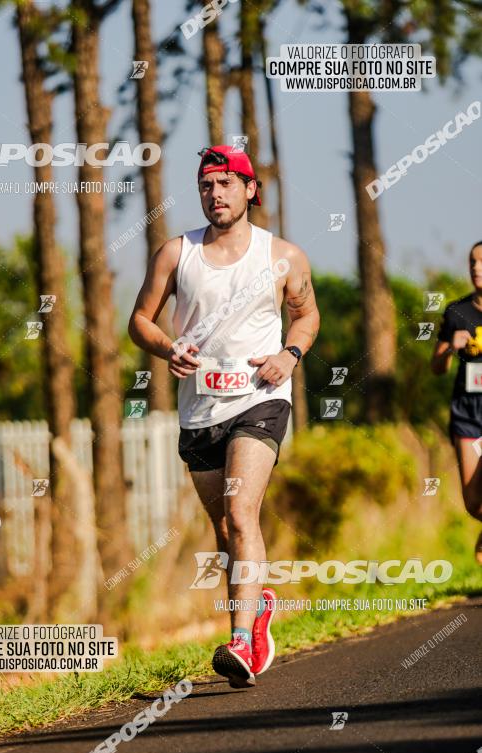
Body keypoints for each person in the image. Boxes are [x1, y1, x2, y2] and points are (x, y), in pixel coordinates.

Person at [129, 145, 320, 687]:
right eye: (206, 186)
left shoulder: (282, 255)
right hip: (199, 409)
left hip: (260, 398)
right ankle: (257, 607)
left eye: (226, 184)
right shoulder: (175, 253)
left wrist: (290, 354)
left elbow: (306, 316)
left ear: (250, 190)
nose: (215, 195)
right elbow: (139, 321)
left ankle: (241, 641)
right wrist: (167, 348)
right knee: (223, 530)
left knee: (241, 513)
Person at [432, 241, 482, 563]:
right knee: (474, 504)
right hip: (468, 413)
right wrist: (451, 346)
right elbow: (436, 368)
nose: (476, 268)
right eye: (472, 262)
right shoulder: (457, 312)